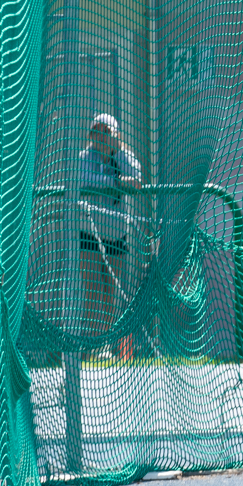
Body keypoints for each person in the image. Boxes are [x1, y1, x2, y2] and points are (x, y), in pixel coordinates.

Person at [78, 113, 142, 360]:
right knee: (93, 290)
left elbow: (136, 178)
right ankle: (92, 346)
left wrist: (119, 152)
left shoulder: (123, 157)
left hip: (117, 234)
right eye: (96, 131)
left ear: (116, 135)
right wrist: (116, 181)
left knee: (111, 291)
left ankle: (103, 345)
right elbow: (86, 180)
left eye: (106, 132)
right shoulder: (84, 158)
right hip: (90, 232)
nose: (101, 136)